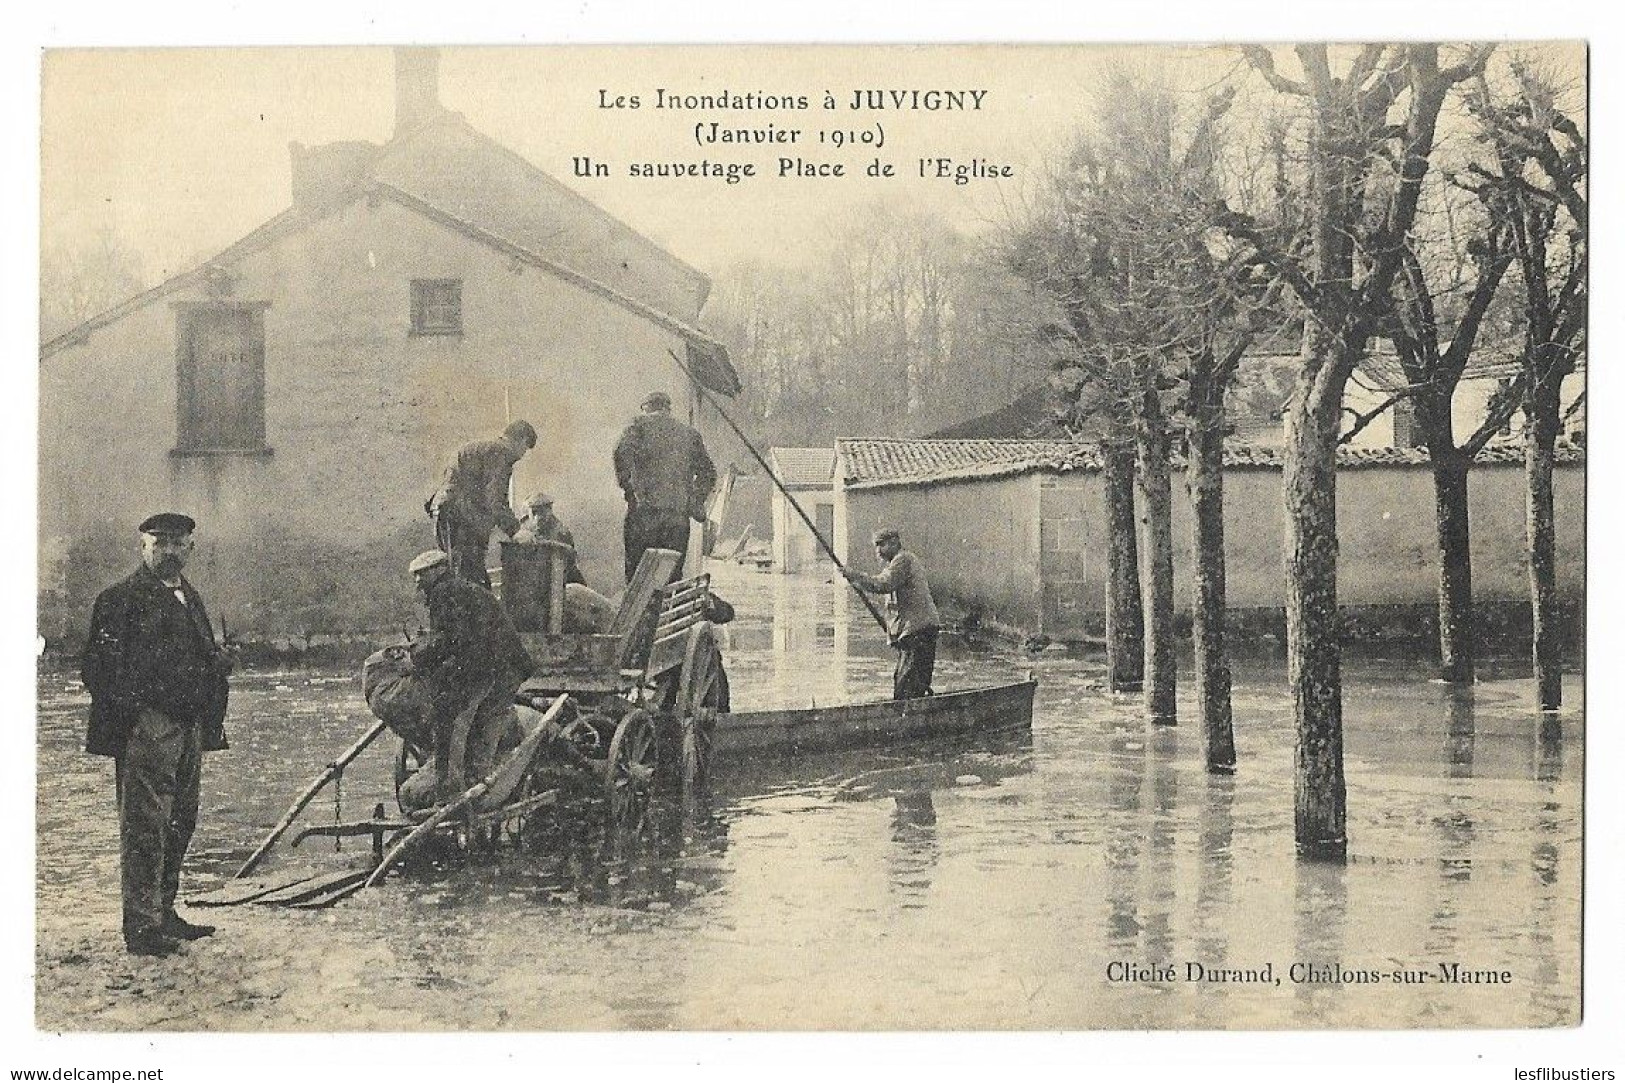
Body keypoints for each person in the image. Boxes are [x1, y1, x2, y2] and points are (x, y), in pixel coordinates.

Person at [81, 513, 237, 956]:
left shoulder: (192, 597)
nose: (169, 550)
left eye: (178, 542)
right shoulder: (119, 599)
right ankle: (141, 926)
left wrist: (217, 660)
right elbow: (97, 667)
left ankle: (164, 912)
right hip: (149, 727)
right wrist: (138, 715)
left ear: (190, 549)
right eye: (159, 541)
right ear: (142, 547)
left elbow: (192, 652)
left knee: (180, 821)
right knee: (145, 826)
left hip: (189, 724)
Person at [404, 550, 534, 807]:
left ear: (439, 570)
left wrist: (419, 655)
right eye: (415, 575)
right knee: (486, 722)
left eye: (422, 574)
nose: (418, 581)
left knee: (449, 718)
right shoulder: (461, 590)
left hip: (491, 666)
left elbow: (453, 639)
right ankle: (477, 786)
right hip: (504, 665)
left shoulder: (444, 593)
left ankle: (452, 794)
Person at [613, 391, 716, 583]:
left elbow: (620, 457)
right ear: (668, 409)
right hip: (676, 520)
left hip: (643, 517)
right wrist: (693, 500)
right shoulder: (689, 434)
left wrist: (630, 492)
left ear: (647, 408)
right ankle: (668, 612)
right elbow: (708, 473)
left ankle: (641, 613)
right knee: (671, 577)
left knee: (638, 577)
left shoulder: (636, 427)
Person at [427, 419, 538, 588]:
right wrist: (515, 531)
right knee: (472, 580)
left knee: (458, 573)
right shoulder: (500, 453)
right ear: (520, 440)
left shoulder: (481, 448)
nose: (522, 455)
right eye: (525, 447)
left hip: (445, 513)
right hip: (461, 518)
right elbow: (495, 499)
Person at [843, 528, 941, 701]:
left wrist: (855, 575)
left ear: (895, 543)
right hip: (913, 632)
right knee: (904, 681)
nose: (878, 551)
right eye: (876, 546)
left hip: (919, 631)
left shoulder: (903, 560)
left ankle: (910, 721)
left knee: (907, 685)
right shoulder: (896, 564)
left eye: (882, 545)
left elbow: (883, 584)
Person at [514, 491, 585, 586]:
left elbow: (567, 561)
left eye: (541, 512)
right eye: (534, 512)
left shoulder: (560, 532)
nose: (537, 517)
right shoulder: (526, 526)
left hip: (563, 579)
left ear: (549, 510)